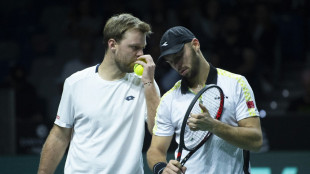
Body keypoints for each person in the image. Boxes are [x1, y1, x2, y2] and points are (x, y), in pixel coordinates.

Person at [38, 13, 160, 174]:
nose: (141, 54)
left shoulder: (145, 82)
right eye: (134, 47)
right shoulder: (75, 83)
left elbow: (157, 129)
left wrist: (149, 82)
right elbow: (60, 136)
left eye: (142, 47)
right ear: (112, 45)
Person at [147, 26, 263, 174]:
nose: (177, 64)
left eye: (179, 55)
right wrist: (162, 169)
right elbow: (155, 150)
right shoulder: (169, 99)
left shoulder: (236, 83)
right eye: (171, 62)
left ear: (196, 44)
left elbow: (256, 141)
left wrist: (214, 126)